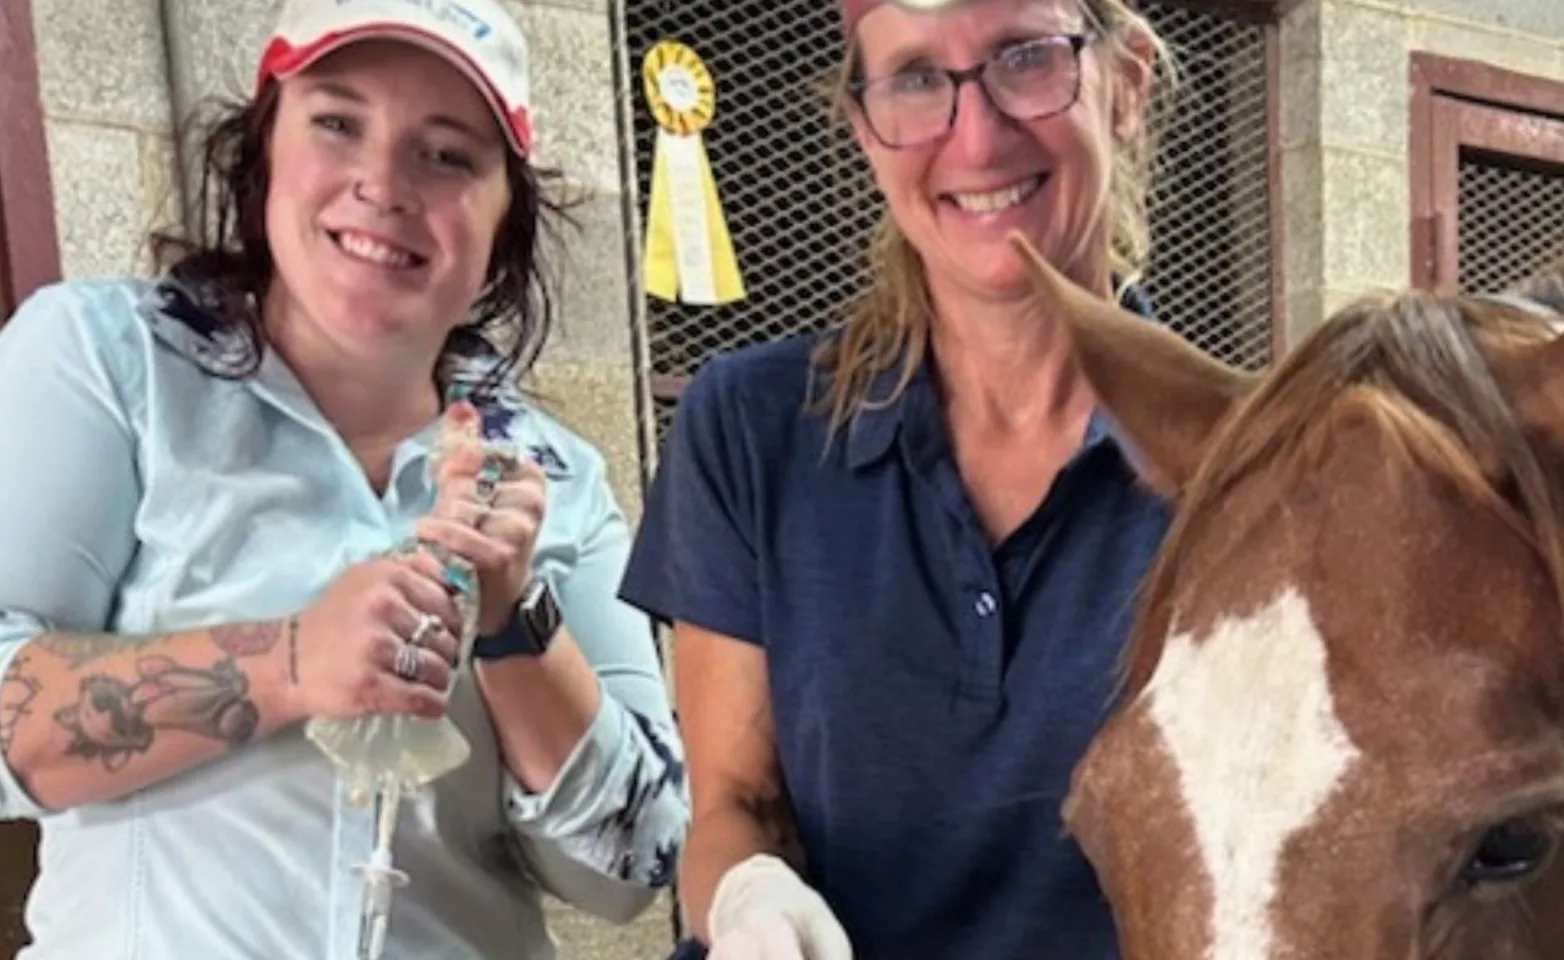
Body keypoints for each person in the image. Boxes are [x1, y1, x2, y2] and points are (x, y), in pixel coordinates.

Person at [0, 0, 688, 956]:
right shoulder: (109, 363)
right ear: (265, 148)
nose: (383, 184)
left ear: (505, 218)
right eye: (337, 122)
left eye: (447, 155)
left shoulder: (555, 475)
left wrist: (514, 615)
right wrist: (287, 659)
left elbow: (634, 870)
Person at [620, 0, 1176, 957]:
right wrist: (748, 893)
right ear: (863, 127)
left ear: (1124, 85)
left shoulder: (1247, 465)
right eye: (917, 79)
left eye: (1025, 59)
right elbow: (736, 805)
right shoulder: (751, 429)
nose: (977, 134)